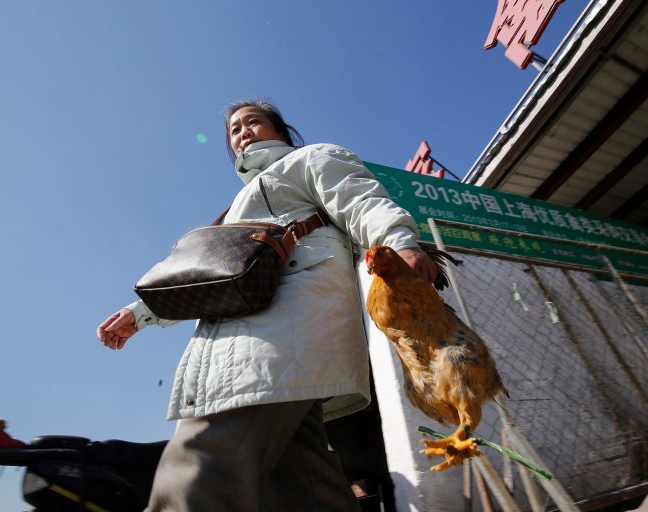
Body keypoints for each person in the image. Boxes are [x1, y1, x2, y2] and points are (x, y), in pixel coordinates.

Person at [96, 99, 437, 511]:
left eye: (253, 122)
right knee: (305, 487)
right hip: (254, 339)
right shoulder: (236, 209)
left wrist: (398, 240)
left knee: (202, 463)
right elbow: (202, 273)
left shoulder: (310, 158)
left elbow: (358, 199)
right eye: (234, 130)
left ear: (282, 132)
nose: (242, 133)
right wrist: (140, 313)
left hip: (283, 330)